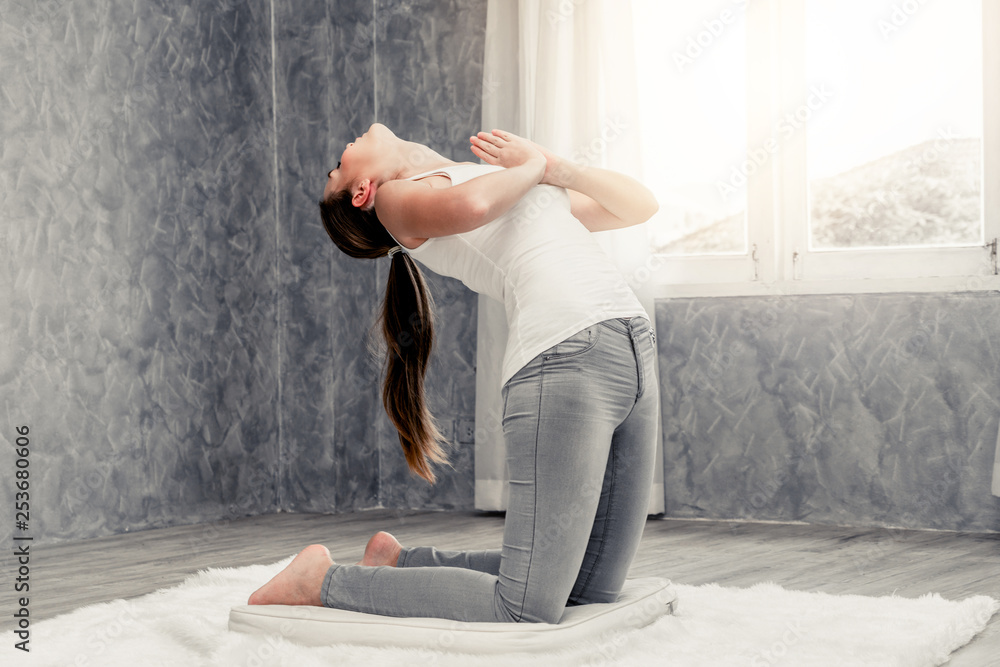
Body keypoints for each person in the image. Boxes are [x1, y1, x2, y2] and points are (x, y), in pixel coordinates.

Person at [248, 122, 660, 623]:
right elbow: (472, 208)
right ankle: (324, 582)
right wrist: (532, 166)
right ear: (361, 192)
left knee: (593, 585)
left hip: (630, 349)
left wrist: (555, 168)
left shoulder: (483, 175)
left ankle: (399, 562)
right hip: (564, 358)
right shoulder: (395, 201)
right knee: (525, 609)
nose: (342, 152)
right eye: (337, 167)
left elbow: (638, 207)